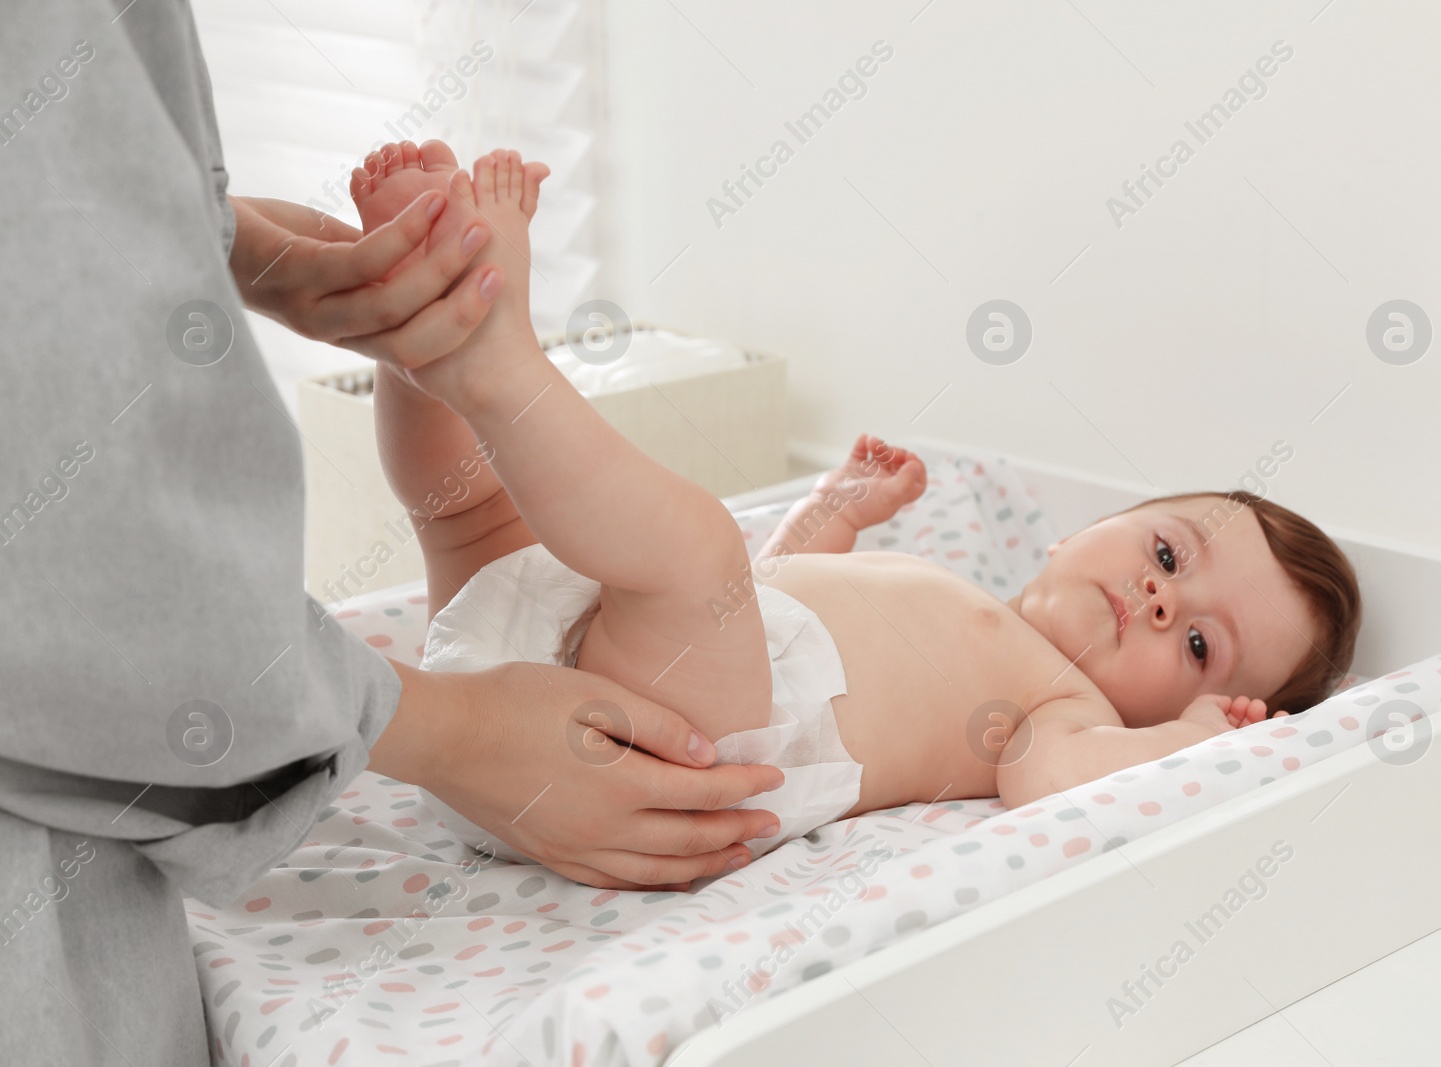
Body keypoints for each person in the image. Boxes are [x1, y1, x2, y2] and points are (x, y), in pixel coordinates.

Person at [0, 4, 780, 1064]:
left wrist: (240, 247)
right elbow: (79, 549)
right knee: (687, 559)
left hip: (626, 731)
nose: (1092, 591)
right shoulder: (1014, 641)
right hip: (625, 733)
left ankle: (450, 355)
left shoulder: (1050, 671)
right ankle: (476, 361)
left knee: (493, 519)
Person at [353, 139, 1364, 877]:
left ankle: (497, 365)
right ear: (1075, 534)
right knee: (470, 519)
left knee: (693, 549)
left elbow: (1068, 786)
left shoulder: (1061, 708)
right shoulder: (966, 595)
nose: (1154, 599)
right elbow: (776, 587)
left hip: (683, 750)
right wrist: (836, 510)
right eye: (1168, 554)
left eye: (1196, 645)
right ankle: (419, 316)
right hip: (559, 686)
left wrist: (1189, 736)